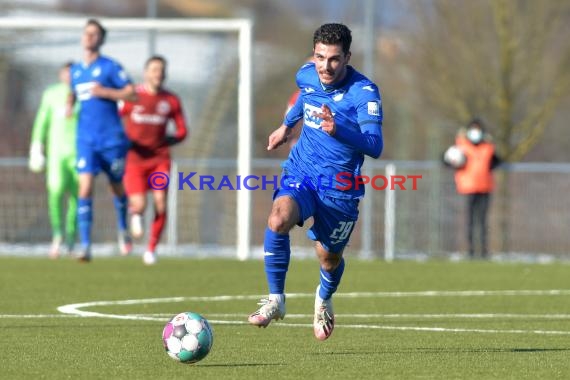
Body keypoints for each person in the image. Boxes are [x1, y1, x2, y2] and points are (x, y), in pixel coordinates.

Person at [248, 23, 383, 341]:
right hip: (302, 172)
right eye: (320, 57)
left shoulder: (364, 93)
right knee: (278, 218)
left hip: (340, 187)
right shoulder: (306, 74)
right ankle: (276, 301)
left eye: (334, 59)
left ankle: (323, 298)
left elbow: (375, 145)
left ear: (347, 57)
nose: (325, 66)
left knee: (328, 256)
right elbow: (303, 100)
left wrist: (339, 130)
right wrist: (286, 126)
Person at [68, 19, 136, 262]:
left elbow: (132, 93)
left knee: (116, 185)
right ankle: (85, 246)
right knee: (84, 187)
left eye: (94, 34)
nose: (89, 37)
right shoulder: (75, 70)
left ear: (101, 39)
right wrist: (69, 106)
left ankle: (122, 228)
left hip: (111, 140)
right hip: (85, 139)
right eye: (86, 33)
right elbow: (73, 94)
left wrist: (106, 92)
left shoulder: (110, 67)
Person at [119, 55, 188, 265]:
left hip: (160, 159)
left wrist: (172, 139)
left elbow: (182, 130)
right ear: (146, 73)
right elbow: (114, 118)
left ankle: (151, 249)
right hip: (135, 160)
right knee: (139, 205)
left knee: (160, 203)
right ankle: (134, 213)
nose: (159, 74)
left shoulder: (171, 100)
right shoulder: (133, 97)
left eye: (162, 70)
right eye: (155, 69)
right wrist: (120, 140)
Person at [29, 62, 78, 259]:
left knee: (78, 196)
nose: (69, 76)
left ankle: (71, 238)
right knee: (56, 191)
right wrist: (36, 146)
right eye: (66, 72)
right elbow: (42, 121)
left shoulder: (83, 94)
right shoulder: (51, 94)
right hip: (56, 153)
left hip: (78, 153)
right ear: (60, 74)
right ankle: (57, 234)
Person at [451, 117, 501, 259]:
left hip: (485, 187)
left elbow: (496, 161)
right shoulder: (461, 146)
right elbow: (448, 159)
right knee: (470, 221)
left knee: (483, 221)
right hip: (468, 188)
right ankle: (471, 250)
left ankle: (484, 251)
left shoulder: (488, 147)